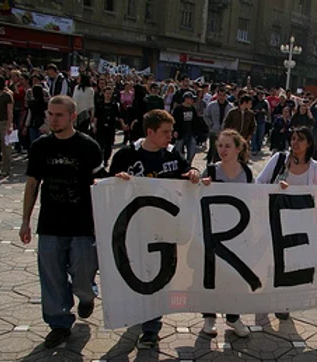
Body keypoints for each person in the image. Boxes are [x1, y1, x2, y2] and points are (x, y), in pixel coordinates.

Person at [108, 109, 200, 348]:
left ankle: (151, 328)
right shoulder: (126, 155)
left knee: (157, 277)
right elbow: (106, 187)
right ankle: (134, 313)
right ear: (150, 132)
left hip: (163, 229)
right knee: (135, 274)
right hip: (132, 229)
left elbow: (189, 172)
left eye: (171, 131)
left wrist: (194, 173)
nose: (171, 136)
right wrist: (117, 181)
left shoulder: (171, 155)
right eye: (165, 132)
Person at [19, 96, 104, 348]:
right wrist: (25, 221)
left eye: (59, 115)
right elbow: (33, 183)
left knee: (83, 276)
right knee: (52, 277)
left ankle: (87, 296)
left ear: (72, 117)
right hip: (50, 225)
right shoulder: (40, 146)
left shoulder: (88, 147)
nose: (53, 119)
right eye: (50, 114)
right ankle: (59, 324)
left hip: (82, 226)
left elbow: (101, 186)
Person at [257, 126, 317, 320]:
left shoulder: (314, 168)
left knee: (293, 264)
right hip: (272, 222)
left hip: (299, 227)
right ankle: (264, 299)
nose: (295, 143)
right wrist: (276, 189)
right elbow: (259, 183)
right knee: (270, 262)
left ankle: (284, 303)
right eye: (294, 138)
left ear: (309, 144)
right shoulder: (279, 160)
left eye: (301, 139)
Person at [200, 129, 255, 337]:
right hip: (213, 233)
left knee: (235, 275)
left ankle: (233, 317)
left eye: (227, 146)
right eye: (220, 145)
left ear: (238, 148)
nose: (223, 150)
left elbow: (255, 198)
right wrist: (199, 185)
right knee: (210, 275)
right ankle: (209, 317)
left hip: (238, 235)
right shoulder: (211, 171)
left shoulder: (247, 173)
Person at [93, 86, 123, 165]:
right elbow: (96, 116)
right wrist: (94, 126)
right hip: (100, 127)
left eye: (110, 93)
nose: (108, 95)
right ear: (104, 94)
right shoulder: (99, 104)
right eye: (107, 93)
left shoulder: (114, 105)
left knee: (108, 145)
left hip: (110, 127)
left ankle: (106, 159)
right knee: (100, 144)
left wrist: (123, 124)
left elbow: (118, 116)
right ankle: (100, 159)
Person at [203, 86, 233, 163]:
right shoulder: (211, 105)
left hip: (225, 133)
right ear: (217, 95)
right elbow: (206, 115)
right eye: (220, 95)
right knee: (213, 150)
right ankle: (210, 165)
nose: (221, 97)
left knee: (222, 151)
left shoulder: (230, 107)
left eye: (223, 95)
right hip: (214, 131)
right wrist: (211, 124)